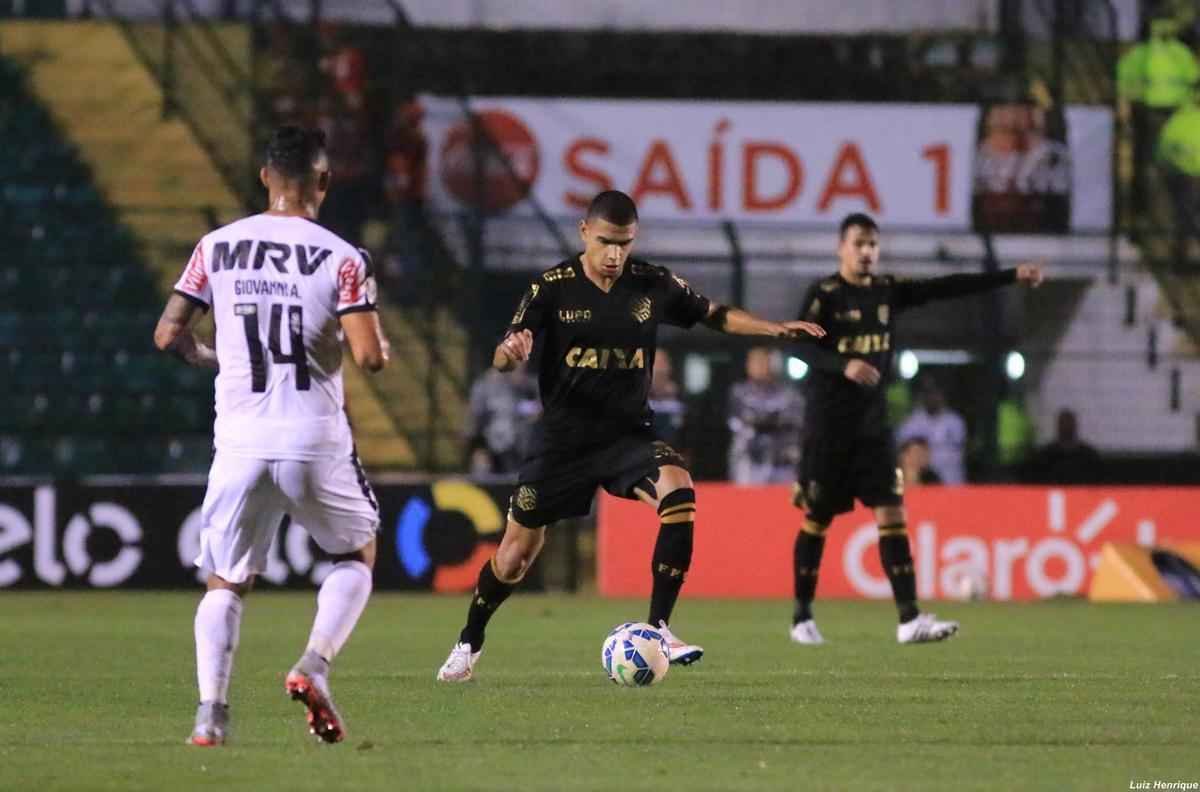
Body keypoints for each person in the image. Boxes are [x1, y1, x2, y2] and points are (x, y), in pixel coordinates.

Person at [435, 190, 824, 682]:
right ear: (584, 233)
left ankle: (659, 626)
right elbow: (502, 355)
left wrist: (773, 329)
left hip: (626, 438)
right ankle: (469, 642)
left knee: (679, 490)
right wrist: (510, 351)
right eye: (605, 242)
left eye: (624, 243)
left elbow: (713, 313)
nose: (615, 255)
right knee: (514, 558)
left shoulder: (652, 283)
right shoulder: (551, 288)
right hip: (561, 443)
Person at [154, 126, 390, 746]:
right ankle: (314, 664)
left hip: (239, 441)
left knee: (226, 581)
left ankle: (211, 714)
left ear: (264, 177)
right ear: (323, 182)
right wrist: (372, 335)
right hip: (314, 438)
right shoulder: (341, 256)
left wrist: (215, 356)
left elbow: (167, 334)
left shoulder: (217, 247)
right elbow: (369, 359)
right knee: (354, 554)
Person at [788, 212, 1042, 646]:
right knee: (818, 518)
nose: (867, 252)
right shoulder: (825, 294)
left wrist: (1010, 275)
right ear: (841, 248)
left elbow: (947, 286)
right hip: (828, 429)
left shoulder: (888, 291)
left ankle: (909, 619)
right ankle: (802, 618)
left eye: (872, 245)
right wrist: (842, 363)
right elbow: (798, 343)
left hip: (872, 430)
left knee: (892, 514)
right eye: (858, 244)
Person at [727, 347, 804, 484]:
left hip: (782, 462)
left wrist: (770, 421)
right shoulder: (739, 392)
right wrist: (764, 421)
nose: (759, 367)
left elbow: (796, 421)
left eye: (763, 362)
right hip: (750, 461)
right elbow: (737, 422)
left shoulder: (789, 393)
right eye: (754, 362)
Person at [464, 361, 539, 475]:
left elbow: (531, 407)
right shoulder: (486, 385)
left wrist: (533, 409)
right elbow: (476, 414)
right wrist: (474, 440)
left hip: (518, 448)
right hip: (491, 445)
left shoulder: (527, 385)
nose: (520, 369)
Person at [897, 378, 967, 485]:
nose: (933, 398)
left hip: (952, 481)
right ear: (923, 396)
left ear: (943, 395)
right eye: (929, 393)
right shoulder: (911, 423)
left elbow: (963, 450)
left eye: (936, 394)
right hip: (922, 482)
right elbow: (903, 454)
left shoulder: (955, 421)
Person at [1025, 408, 1103, 485]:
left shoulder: (1089, 455)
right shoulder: (1045, 456)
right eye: (1063, 423)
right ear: (1058, 426)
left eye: (1069, 423)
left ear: (1075, 425)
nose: (1066, 427)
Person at [647, 348, 686, 447]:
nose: (661, 369)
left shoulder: (677, 397)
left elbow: (681, 429)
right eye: (658, 363)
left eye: (664, 363)